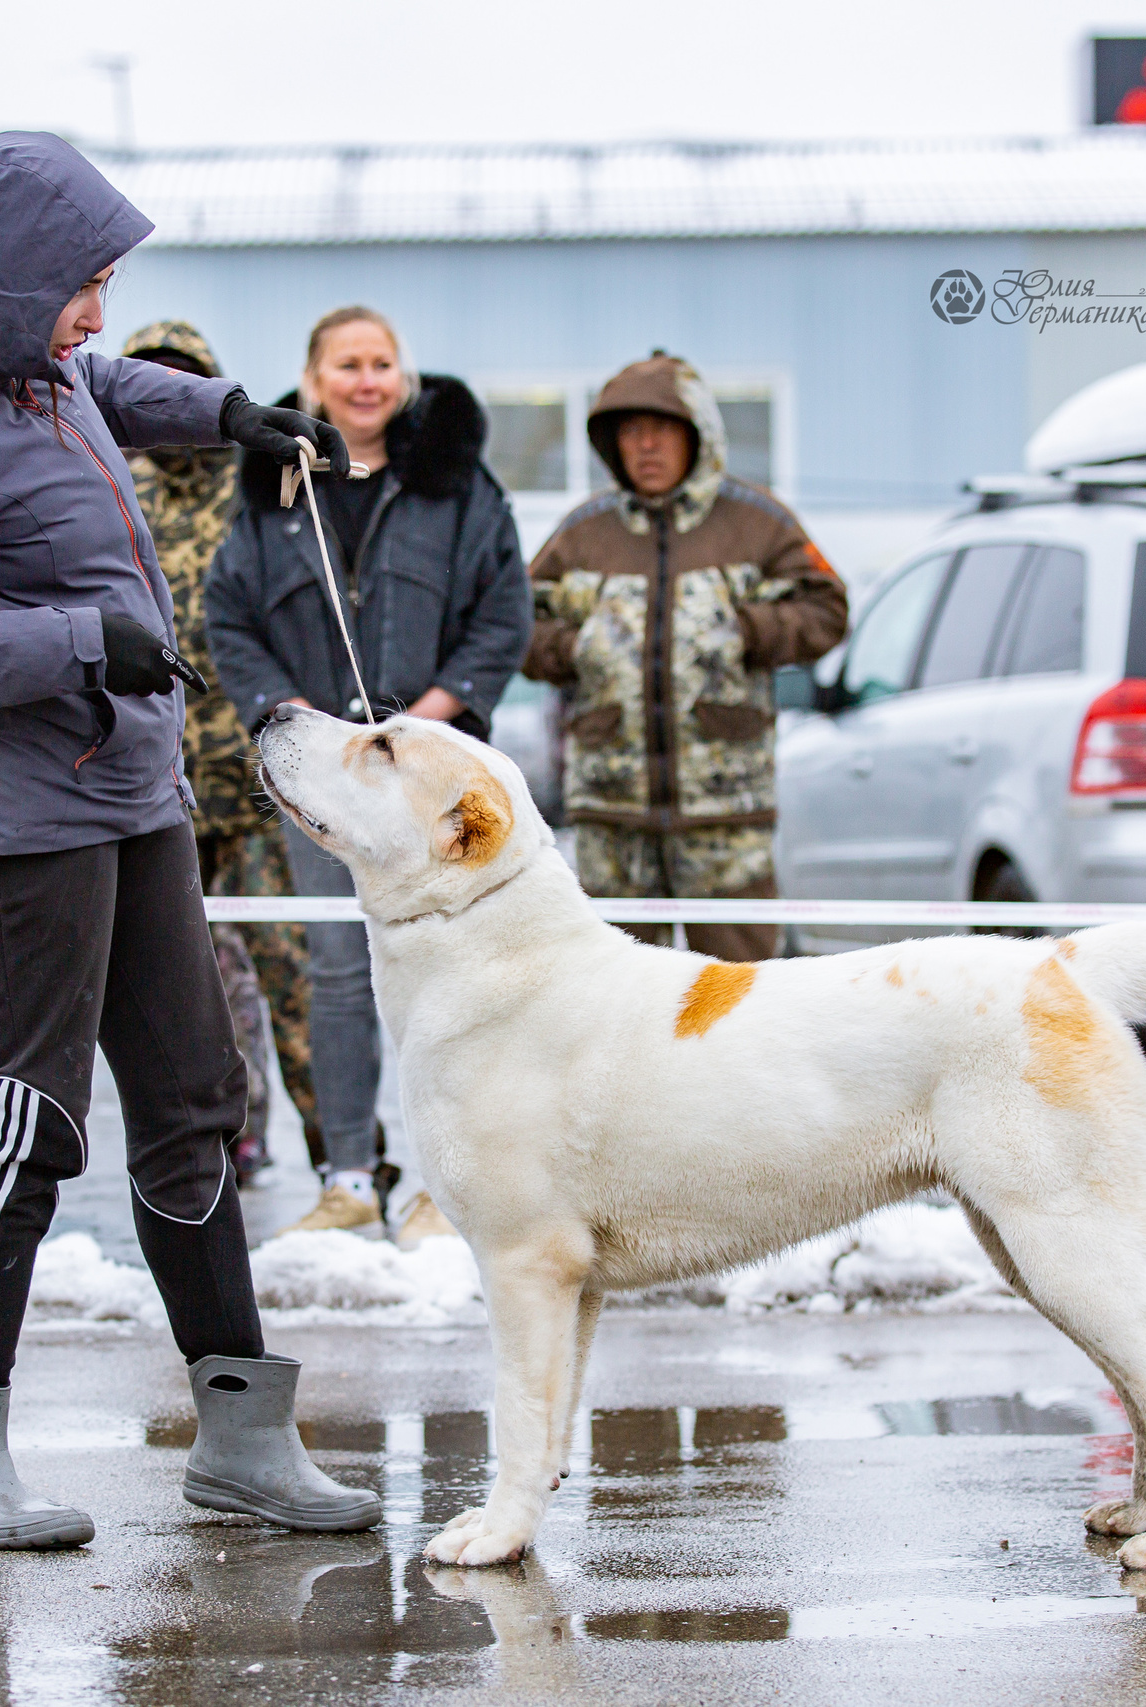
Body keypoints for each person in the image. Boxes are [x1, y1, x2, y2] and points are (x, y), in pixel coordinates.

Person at [0, 133, 379, 1547]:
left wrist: (234, 410)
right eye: (82, 281)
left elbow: (113, 386)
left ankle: (244, 1435)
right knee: (32, 1116)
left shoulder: (36, 370)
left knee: (196, 1097)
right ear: (8, 280)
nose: (97, 310)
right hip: (21, 822)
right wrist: (80, 638)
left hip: (132, 796)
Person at [205, 305, 531, 1240]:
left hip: (431, 781)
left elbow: (504, 612)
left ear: (404, 377)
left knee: (451, 974)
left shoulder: (461, 489)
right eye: (346, 364)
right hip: (330, 792)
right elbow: (230, 619)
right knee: (338, 974)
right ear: (312, 382)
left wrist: (432, 715)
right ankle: (349, 1175)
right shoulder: (272, 491)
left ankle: (446, 1182)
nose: (366, 380)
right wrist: (294, 718)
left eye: (382, 363)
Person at [523, 351, 846, 964]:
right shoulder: (582, 532)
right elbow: (517, 625)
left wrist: (746, 628)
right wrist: (578, 646)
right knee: (614, 996)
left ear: (698, 436)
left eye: (662, 429)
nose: (645, 445)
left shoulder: (759, 522)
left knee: (742, 998)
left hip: (727, 814)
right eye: (630, 431)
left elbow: (828, 610)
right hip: (610, 815)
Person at [119, 319, 317, 1188]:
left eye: (183, 381)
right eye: (147, 381)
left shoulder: (254, 484)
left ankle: (348, 1155)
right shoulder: (110, 482)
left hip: (258, 784)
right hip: (163, 788)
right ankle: (224, 1138)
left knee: (294, 973)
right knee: (189, 988)